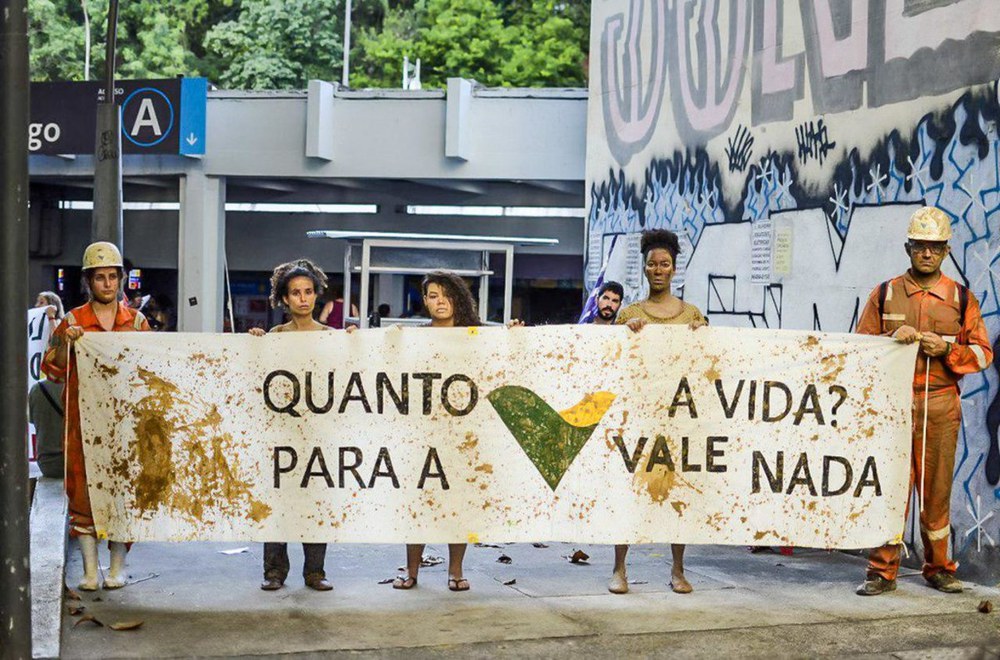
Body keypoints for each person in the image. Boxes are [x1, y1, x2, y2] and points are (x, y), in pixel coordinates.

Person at [856, 207, 993, 596]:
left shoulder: (961, 299)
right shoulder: (884, 294)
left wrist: (948, 353)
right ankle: (881, 571)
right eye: (919, 246)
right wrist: (889, 340)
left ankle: (938, 567)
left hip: (941, 405)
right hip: (893, 407)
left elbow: (983, 354)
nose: (927, 254)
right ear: (908, 248)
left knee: (936, 492)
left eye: (934, 247)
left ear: (946, 251)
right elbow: (860, 348)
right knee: (891, 489)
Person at [41, 241, 151, 591]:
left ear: (120, 280)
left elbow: (153, 371)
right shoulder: (73, 321)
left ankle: (117, 568)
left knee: (123, 492)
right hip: (82, 423)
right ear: (88, 281)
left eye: (112, 277)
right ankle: (90, 571)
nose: (106, 284)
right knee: (83, 492)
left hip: (125, 423)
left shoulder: (136, 322)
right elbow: (52, 370)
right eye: (99, 277)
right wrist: (65, 341)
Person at [610, 229, 707, 596]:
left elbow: (707, 364)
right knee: (630, 491)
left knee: (676, 494)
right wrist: (628, 334)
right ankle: (619, 569)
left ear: (674, 268)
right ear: (645, 268)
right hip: (638, 417)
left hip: (679, 419)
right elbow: (613, 362)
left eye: (664, 263)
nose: (658, 269)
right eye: (652, 263)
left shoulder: (692, 314)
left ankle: (678, 570)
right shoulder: (630, 314)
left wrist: (703, 334)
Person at [392, 271, 482, 592]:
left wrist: (513, 334)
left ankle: (455, 570)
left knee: (458, 503)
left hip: (463, 434)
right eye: (432, 295)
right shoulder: (413, 337)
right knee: (418, 502)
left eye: (446, 294)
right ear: (425, 301)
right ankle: (411, 570)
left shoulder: (477, 335)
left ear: (458, 297)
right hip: (421, 433)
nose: (440, 301)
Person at [250, 259, 336, 592]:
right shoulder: (275, 336)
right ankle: (274, 572)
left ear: (316, 295)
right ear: (284, 299)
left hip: (318, 432)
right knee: (279, 500)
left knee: (315, 500)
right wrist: (257, 342)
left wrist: (356, 344)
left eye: (309, 292)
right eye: (295, 293)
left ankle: (315, 571)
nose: (303, 298)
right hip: (281, 431)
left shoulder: (332, 337)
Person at [28, 379, 65, 479]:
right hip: (78, 463)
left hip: (47, 463)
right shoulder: (81, 386)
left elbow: (31, 420)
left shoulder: (36, 389)